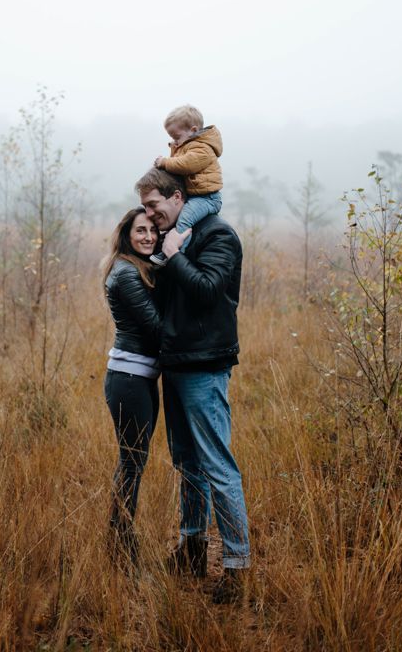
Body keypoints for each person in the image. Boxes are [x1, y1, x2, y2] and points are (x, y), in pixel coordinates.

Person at [135, 167, 250, 604]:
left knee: (217, 464)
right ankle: (192, 549)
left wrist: (174, 253)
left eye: (154, 205)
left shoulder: (219, 236)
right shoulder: (170, 242)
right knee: (187, 463)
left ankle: (237, 567)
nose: (150, 213)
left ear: (178, 196)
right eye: (144, 207)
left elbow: (207, 290)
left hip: (205, 365)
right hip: (175, 363)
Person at [101, 207, 162, 568]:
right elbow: (155, 327)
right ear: (127, 233)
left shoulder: (135, 267)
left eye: (153, 230)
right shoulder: (126, 272)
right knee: (131, 463)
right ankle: (121, 546)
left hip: (139, 378)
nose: (148, 236)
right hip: (129, 379)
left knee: (133, 461)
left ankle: (119, 540)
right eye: (141, 230)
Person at [149, 104, 223, 264]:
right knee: (174, 217)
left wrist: (165, 162)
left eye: (176, 137)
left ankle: (175, 254)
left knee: (184, 221)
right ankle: (164, 245)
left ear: (194, 130)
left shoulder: (203, 148)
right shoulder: (187, 145)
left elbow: (185, 165)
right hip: (194, 196)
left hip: (207, 198)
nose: (174, 142)